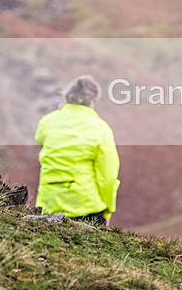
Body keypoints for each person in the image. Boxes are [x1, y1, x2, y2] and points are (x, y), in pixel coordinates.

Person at [35, 75, 120, 225]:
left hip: (48, 204)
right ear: (93, 100)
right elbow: (108, 176)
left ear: (68, 95)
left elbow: (40, 138)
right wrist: (108, 209)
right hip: (86, 207)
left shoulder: (48, 121)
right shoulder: (100, 128)